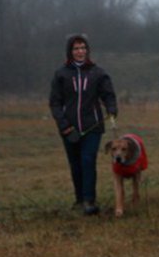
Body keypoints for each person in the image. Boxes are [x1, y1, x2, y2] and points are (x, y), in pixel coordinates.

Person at [49, 34, 117, 216]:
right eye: (76, 48)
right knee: (75, 164)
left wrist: (112, 108)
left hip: (92, 126)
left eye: (83, 48)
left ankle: (89, 201)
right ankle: (79, 199)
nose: (80, 52)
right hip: (69, 128)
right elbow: (55, 102)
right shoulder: (61, 74)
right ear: (70, 52)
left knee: (88, 161)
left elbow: (108, 95)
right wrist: (64, 125)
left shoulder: (98, 72)